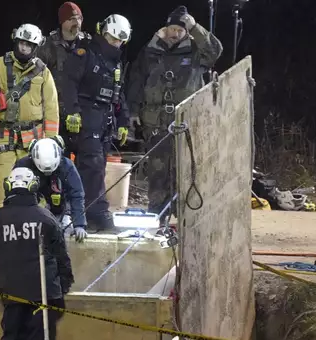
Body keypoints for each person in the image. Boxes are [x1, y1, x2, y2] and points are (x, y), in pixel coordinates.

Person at [126, 6, 222, 222]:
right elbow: (136, 81)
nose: (176, 33)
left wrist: (195, 27)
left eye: (181, 29)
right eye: (173, 28)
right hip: (156, 123)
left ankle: (185, 222)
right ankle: (157, 219)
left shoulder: (197, 51)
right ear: (166, 28)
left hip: (187, 125)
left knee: (186, 173)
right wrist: (132, 111)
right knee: (158, 175)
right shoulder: (150, 50)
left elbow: (215, 50)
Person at [0, 167, 74, 340]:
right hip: (44, 294)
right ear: (34, 188)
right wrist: (64, 285)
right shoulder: (46, 218)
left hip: (11, 292)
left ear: (8, 187)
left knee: (12, 337)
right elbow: (62, 257)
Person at [0, 23, 60, 221]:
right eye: (21, 43)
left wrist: (51, 140)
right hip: (3, 136)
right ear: (15, 42)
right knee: (0, 185)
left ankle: (35, 226)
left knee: (33, 184)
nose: (24, 48)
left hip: (33, 141)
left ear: (35, 47)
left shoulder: (43, 73)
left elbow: (51, 107)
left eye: (29, 45)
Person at [60, 14, 132, 232]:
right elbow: (68, 83)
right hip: (86, 116)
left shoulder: (115, 64)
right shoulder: (85, 54)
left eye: (119, 41)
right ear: (103, 33)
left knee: (98, 166)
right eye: (112, 39)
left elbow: (118, 96)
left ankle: (88, 212)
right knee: (91, 165)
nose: (115, 44)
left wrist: (123, 121)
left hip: (105, 120)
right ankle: (95, 212)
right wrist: (72, 112)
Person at [37, 2, 91, 157]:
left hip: (82, 113)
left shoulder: (88, 43)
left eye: (79, 18)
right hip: (55, 113)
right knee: (57, 160)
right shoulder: (47, 45)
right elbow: (36, 77)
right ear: (63, 22)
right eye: (72, 19)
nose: (77, 22)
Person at [14, 136, 88, 242]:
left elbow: (77, 195)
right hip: (31, 209)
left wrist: (79, 224)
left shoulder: (67, 166)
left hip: (61, 209)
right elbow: (14, 195)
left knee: (61, 239)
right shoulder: (22, 166)